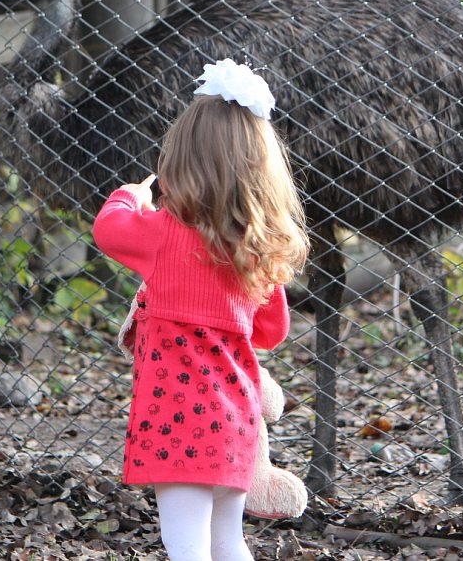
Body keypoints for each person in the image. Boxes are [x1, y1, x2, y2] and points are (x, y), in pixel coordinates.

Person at [93, 59, 310, 561]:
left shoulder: (162, 234)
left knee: (185, 545)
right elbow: (272, 331)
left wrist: (128, 196)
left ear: (180, 162)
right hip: (236, 425)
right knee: (227, 541)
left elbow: (108, 230)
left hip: (175, 423)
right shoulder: (258, 254)